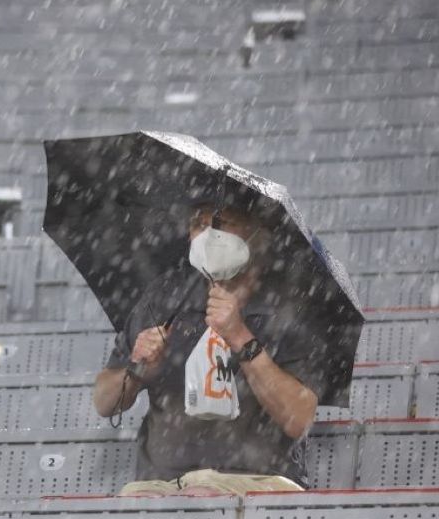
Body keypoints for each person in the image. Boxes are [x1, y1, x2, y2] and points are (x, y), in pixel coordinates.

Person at [92, 203, 329, 496]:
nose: (209, 235)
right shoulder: (164, 296)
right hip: (162, 483)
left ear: (257, 235)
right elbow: (104, 402)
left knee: (201, 495)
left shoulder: (289, 307)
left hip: (256, 482)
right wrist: (137, 368)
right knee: (133, 505)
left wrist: (240, 336)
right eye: (199, 224)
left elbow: (298, 418)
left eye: (222, 223)